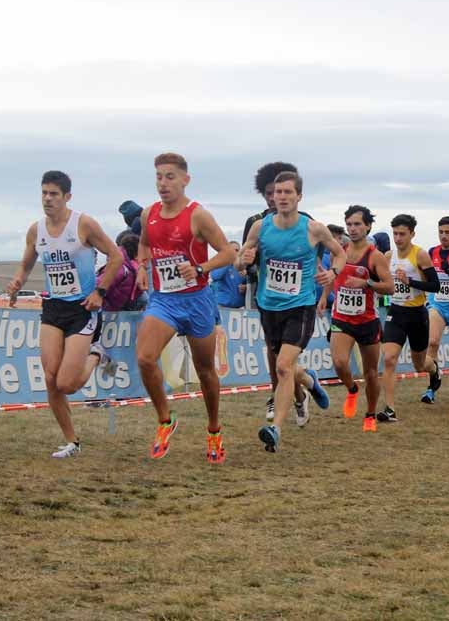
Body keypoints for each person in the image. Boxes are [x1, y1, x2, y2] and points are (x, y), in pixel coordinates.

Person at [6, 170, 123, 459]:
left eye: (53, 194)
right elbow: (27, 263)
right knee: (49, 377)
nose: (47, 199)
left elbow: (116, 256)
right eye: (44, 193)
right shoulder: (36, 231)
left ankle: (97, 354)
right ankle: (72, 441)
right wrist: (18, 282)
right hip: (54, 308)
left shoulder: (82, 224)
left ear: (67, 197)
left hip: (83, 309)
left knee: (66, 384)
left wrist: (100, 292)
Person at [135, 152, 236, 463]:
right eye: (158, 177)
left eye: (169, 177)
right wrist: (141, 266)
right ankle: (166, 420)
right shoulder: (148, 213)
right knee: (145, 357)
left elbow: (229, 252)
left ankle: (214, 431)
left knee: (206, 371)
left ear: (184, 180)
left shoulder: (197, 215)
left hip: (197, 301)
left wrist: (201, 268)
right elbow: (145, 243)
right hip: (164, 300)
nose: (163, 183)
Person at [239, 171, 344, 453]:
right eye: (277, 192)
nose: (281, 197)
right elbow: (240, 261)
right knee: (284, 366)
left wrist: (333, 273)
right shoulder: (260, 227)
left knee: (283, 367)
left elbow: (340, 253)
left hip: (301, 306)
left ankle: (275, 429)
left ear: (299, 196)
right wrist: (243, 259)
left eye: (287, 192)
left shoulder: (314, 229)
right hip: (268, 306)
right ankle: (310, 381)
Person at [317, 204, 393, 431]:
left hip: (367, 321)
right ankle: (351, 389)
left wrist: (367, 283)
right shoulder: (338, 252)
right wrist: (324, 297)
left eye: (358, 224)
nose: (353, 228)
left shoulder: (375, 256)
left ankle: (370, 414)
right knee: (339, 362)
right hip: (341, 318)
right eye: (349, 224)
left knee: (370, 373)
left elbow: (390, 288)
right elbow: (333, 276)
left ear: (368, 226)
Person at [380, 214, 440, 422]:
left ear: (412, 234)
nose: (398, 238)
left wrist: (411, 282)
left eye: (402, 234)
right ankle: (390, 409)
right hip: (396, 313)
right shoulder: (388, 256)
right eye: (395, 233)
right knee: (389, 359)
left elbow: (435, 286)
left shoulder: (420, 255)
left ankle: (434, 371)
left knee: (420, 364)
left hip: (417, 315)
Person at [422, 216, 449, 404]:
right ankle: (432, 388)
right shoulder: (432, 252)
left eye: (448, 232)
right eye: (441, 232)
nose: (444, 236)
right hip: (437, 304)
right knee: (432, 342)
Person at [210, 241, 246, 308]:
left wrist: (245, 287)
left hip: (239, 307)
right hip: (222, 305)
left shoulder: (243, 266)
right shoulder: (219, 263)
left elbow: (250, 283)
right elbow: (215, 276)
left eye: (237, 250)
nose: (235, 252)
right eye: (232, 250)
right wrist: (228, 261)